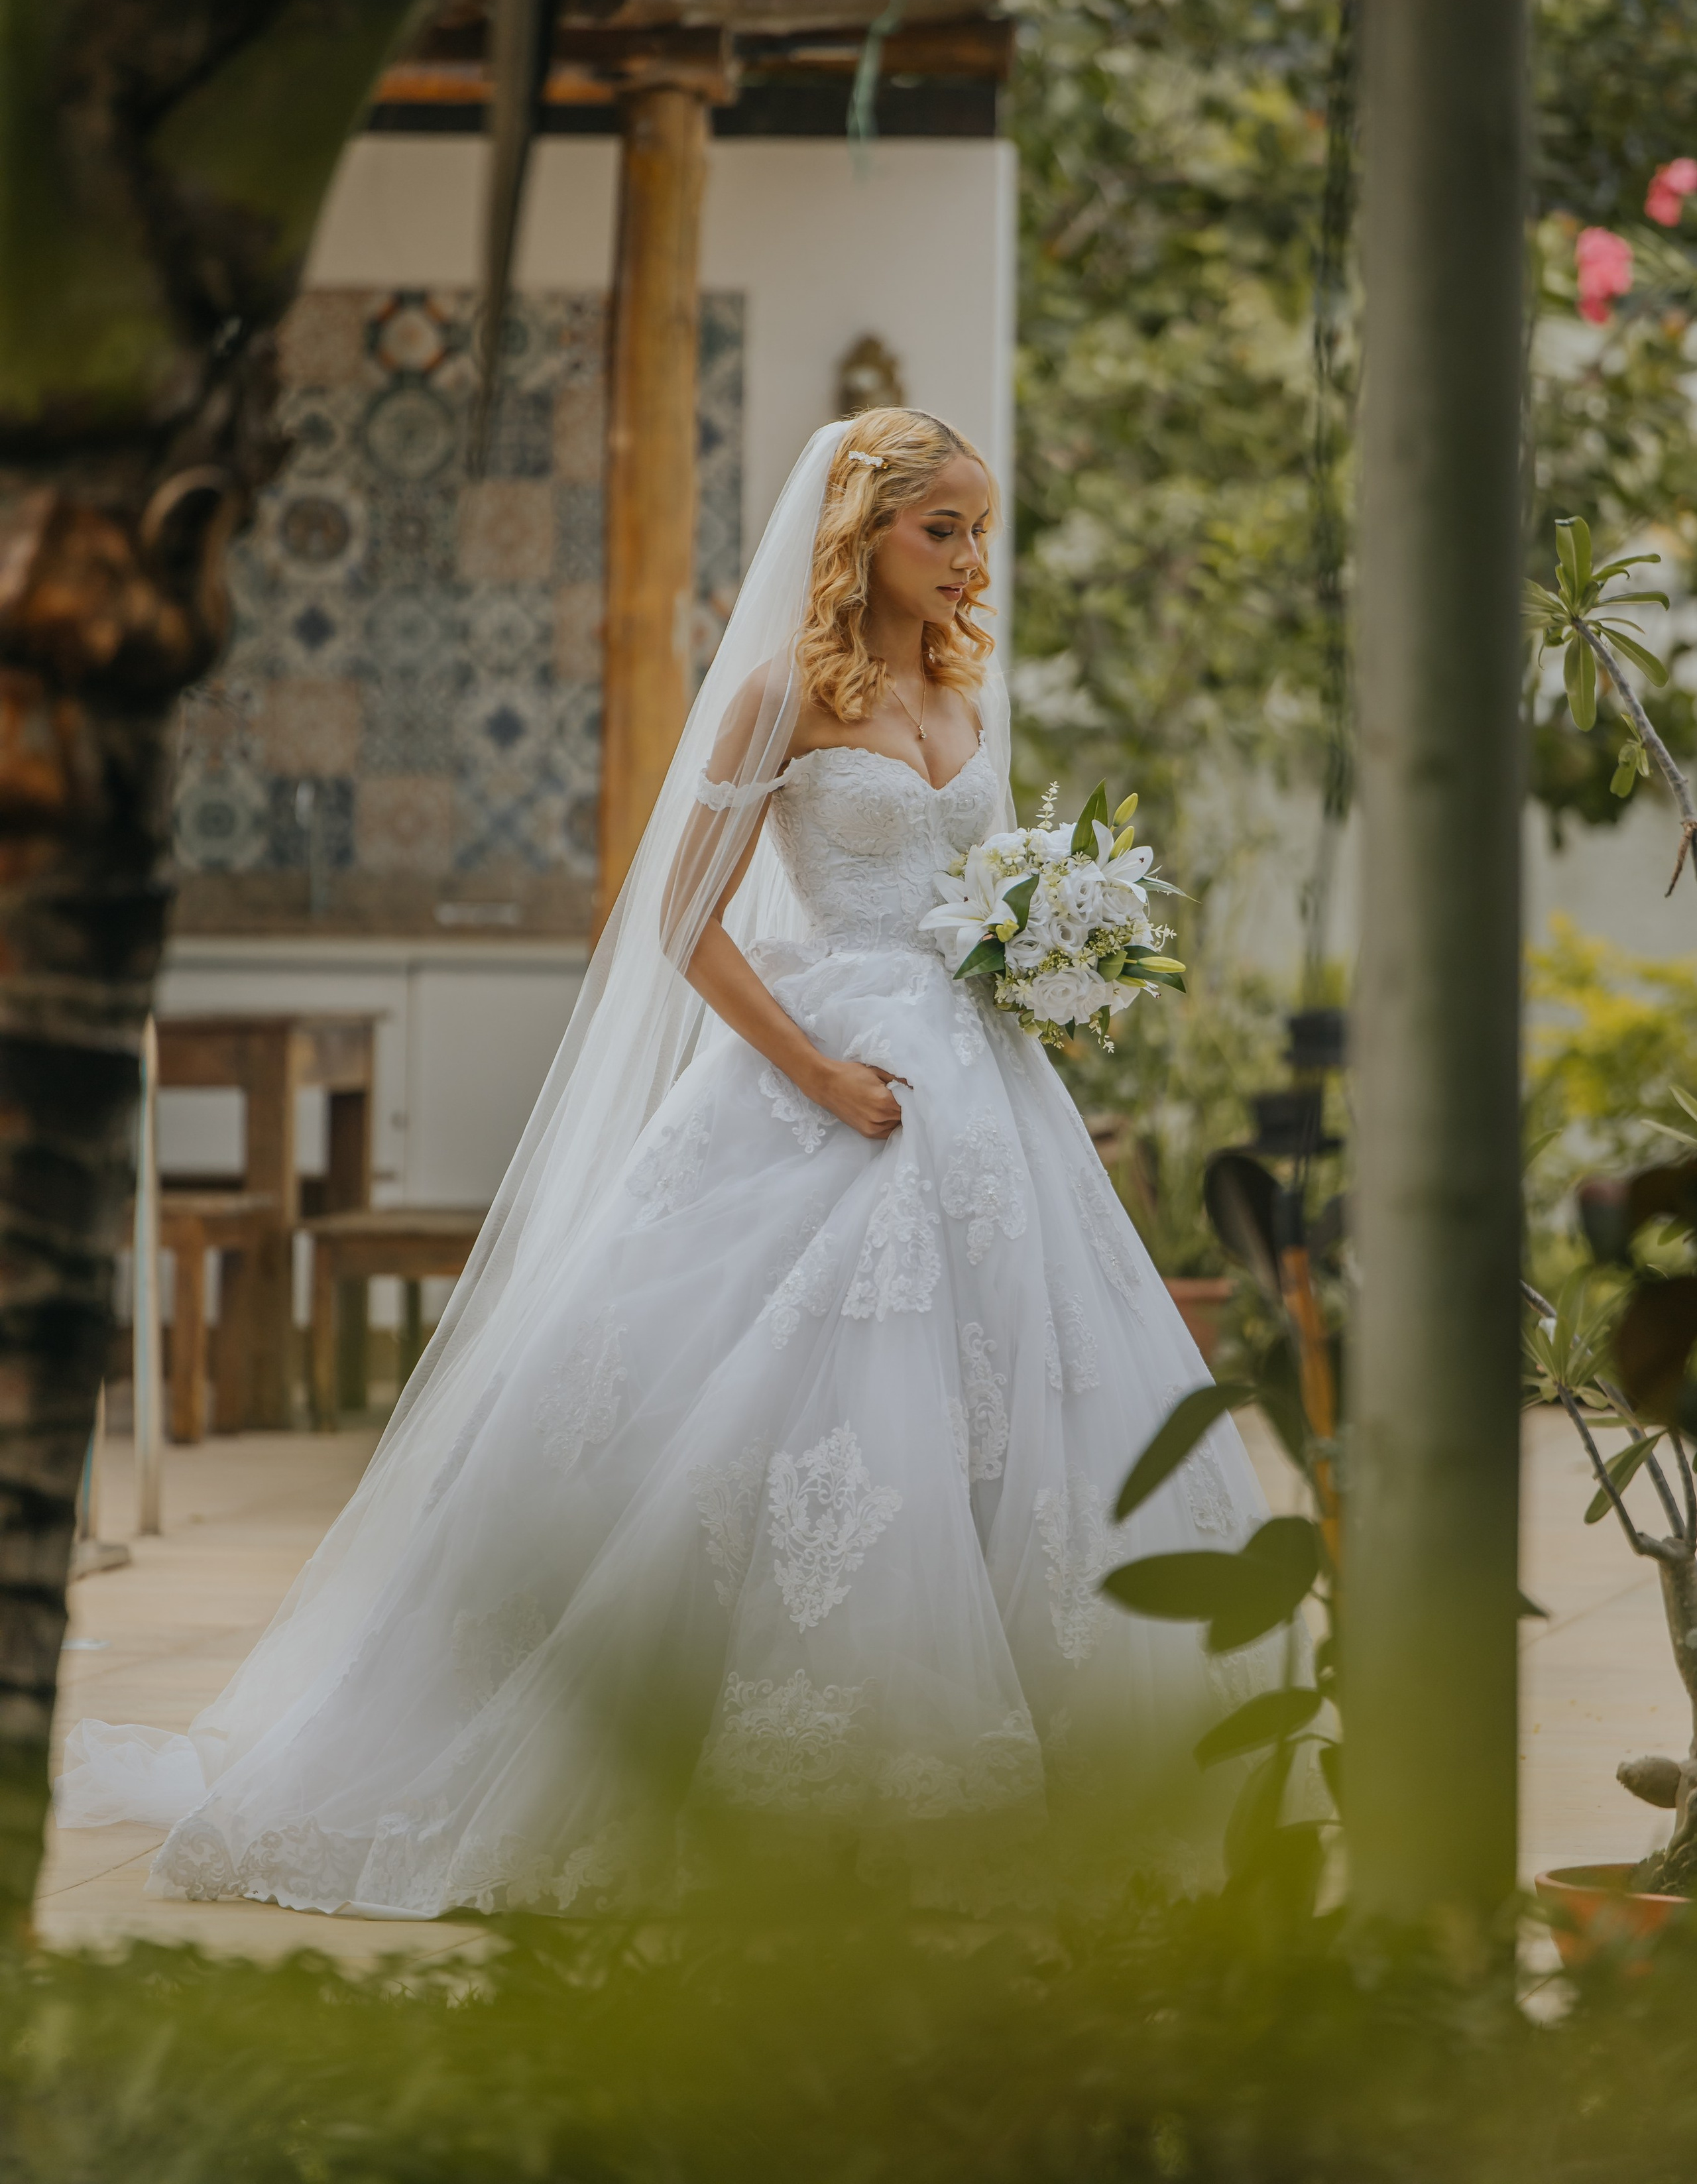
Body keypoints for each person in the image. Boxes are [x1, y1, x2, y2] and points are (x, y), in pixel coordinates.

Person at [58, 408, 1275, 1918]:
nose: (967, 558)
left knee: (1028, 1395)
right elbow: (681, 923)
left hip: (979, 1083)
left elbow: (974, 886)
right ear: (861, 532)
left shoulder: (965, 686)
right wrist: (820, 1074)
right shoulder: (780, 695)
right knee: (792, 1395)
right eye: (939, 528)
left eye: (978, 529)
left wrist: (1046, 950)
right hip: (825, 1067)